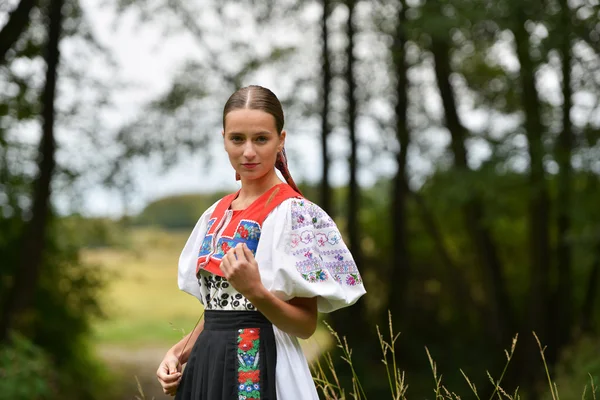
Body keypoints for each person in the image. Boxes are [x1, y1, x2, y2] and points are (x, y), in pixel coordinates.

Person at [156, 85, 366, 400]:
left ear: (281, 140)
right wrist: (179, 352)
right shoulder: (216, 214)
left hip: (262, 362)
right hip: (207, 364)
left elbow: (305, 326)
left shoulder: (294, 215)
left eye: (261, 139)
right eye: (237, 139)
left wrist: (255, 291)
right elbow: (220, 311)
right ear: (224, 139)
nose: (248, 152)